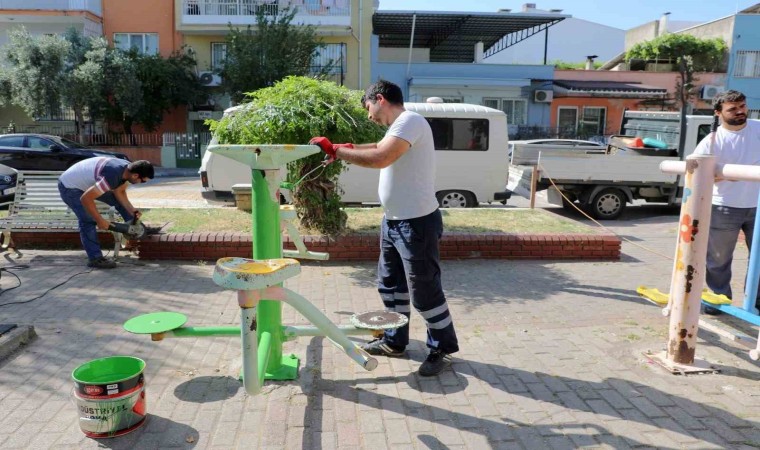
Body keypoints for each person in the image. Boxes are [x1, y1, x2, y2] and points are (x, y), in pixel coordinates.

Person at [310, 79, 459, 376]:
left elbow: (381, 157)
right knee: (391, 286)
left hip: (416, 222)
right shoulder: (399, 127)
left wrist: (338, 152)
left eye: (369, 108)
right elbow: (378, 147)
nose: (369, 116)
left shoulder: (411, 120)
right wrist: (345, 147)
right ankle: (395, 341)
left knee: (424, 291)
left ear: (380, 99)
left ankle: (441, 347)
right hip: (393, 220)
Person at [693, 90, 760, 315]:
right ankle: (717, 301)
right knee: (718, 260)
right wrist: (723, 174)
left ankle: (756, 305)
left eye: (742, 106)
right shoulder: (711, 140)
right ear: (718, 113)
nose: (740, 111)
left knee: (759, 260)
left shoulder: (758, 129)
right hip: (724, 207)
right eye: (733, 108)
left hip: (757, 206)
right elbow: (695, 171)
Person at [58, 157, 154, 269]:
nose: (141, 183)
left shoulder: (128, 169)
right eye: (142, 181)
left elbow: (120, 192)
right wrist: (99, 220)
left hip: (86, 184)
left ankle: (137, 229)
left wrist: (132, 211)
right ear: (135, 175)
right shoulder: (112, 176)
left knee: (119, 203)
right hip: (69, 187)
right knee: (88, 221)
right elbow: (86, 199)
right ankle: (95, 259)